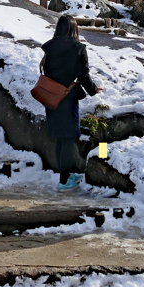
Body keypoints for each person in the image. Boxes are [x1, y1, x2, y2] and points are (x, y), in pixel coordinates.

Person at [40, 14, 101, 191]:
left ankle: (65, 176)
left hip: (50, 96)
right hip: (67, 98)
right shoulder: (78, 48)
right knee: (68, 139)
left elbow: (47, 70)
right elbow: (82, 75)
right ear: (74, 29)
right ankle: (64, 181)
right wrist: (93, 89)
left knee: (60, 138)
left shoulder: (49, 47)